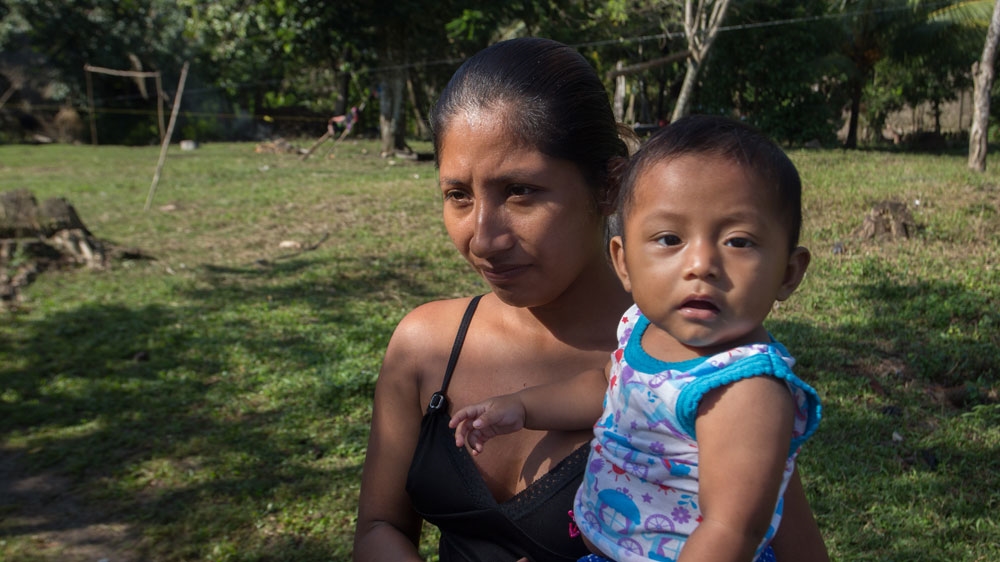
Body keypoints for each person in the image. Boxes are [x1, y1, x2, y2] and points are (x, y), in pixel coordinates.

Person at [353, 37, 828, 562]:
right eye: (458, 195)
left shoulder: (694, 365)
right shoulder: (425, 347)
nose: (484, 238)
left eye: (520, 191)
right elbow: (379, 527)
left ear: (609, 188)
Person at [449, 115, 822, 562]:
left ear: (788, 273)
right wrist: (524, 406)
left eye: (738, 242)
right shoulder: (641, 326)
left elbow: (730, 530)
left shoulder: (744, 389)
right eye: (670, 238)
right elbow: (604, 386)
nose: (701, 264)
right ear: (623, 262)